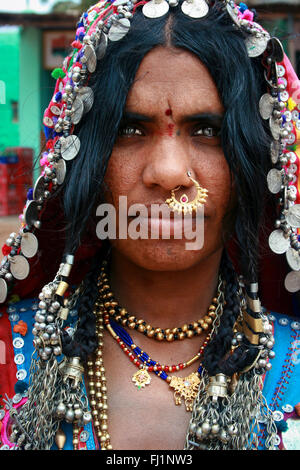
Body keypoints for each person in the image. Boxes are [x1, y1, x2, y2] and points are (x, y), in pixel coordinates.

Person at [0, 0, 300, 451]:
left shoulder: (292, 360)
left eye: (207, 131)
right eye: (129, 129)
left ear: (254, 166)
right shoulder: (9, 354)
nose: (168, 172)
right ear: (83, 162)